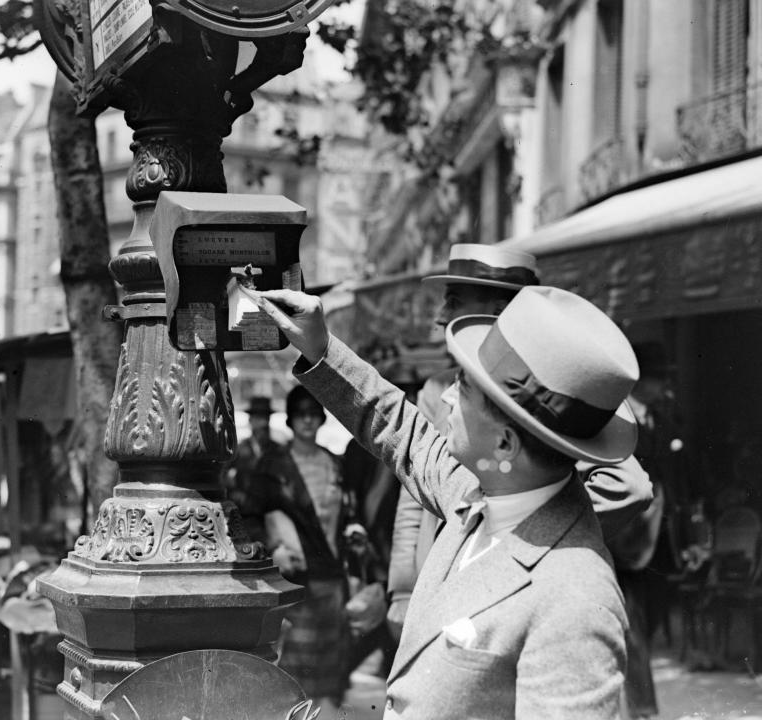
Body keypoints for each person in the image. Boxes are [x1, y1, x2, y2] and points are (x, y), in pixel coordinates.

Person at [257, 284, 641, 718]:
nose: (445, 397)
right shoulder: (478, 493)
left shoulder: (575, 597)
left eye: (463, 385)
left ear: (504, 443)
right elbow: (401, 430)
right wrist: (320, 345)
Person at [387, 243, 651, 641]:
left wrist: (523, 536)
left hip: (510, 594)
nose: (441, 317)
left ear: (495, 313)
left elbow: (628, 486)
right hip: (439, 582)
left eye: (454, 301)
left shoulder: (555, 390)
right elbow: (413, 491)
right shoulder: (439, 388)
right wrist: (404, 587)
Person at [240, 386, 353, 714]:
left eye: (313, 414)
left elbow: (347, 512)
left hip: (331, 579)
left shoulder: (333, 462)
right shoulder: (272, 465)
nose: (307, 420)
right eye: (300, 413)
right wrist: (271, 549)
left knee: (330, 663)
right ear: (290, 419)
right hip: (295, 580)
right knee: (296, 663)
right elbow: (248, 515)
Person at [222, 396, 281, 511]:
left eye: (266, 418)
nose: (264, 423)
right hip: (245, 512)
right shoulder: (239, 449)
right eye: (259, 418)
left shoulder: (277, 450)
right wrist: (233, 492)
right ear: (250, 420)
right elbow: (222, 475)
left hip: (272, 510)